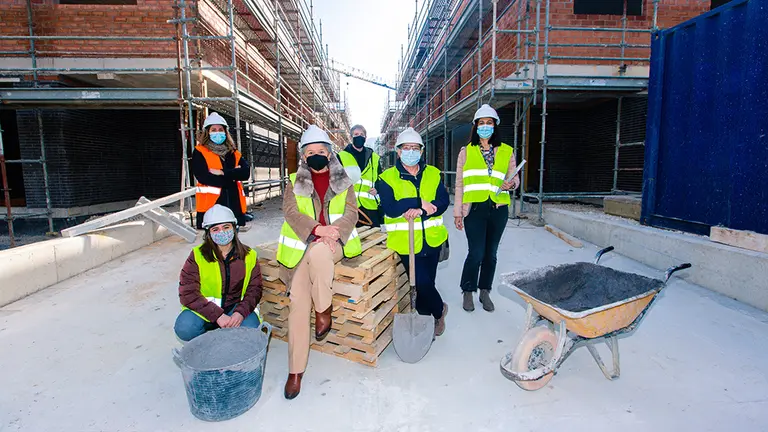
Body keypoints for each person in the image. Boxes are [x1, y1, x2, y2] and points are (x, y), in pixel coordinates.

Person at [277, 124, 361, 400]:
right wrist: (317, 229)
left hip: (334, 244)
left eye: (320, 151)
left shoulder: (343, 180)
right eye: (310, 151)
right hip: (306, 245)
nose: (315, 155)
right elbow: (290, 212)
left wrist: (332, 232)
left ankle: (324, 309)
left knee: (321, 252)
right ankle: (295, 371)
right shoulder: (294, 182)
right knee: (299, 303)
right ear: (303, 156)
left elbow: (351, 212)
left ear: (329, 154)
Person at [377, 127, 450, 338]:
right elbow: (390, 207)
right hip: (405, 242)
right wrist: (418, 202)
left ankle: (426, 319)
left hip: (433, 239)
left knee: (429, 283)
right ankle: (439, 311)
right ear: (398, 152)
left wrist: (420, 211)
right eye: (406, 148)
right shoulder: (386, 178)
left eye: (415, 148)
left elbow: (443, 202)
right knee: (421, 282)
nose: (411, 151)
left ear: (422, 150)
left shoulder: (433, 174)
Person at [454, 104, 519, 313]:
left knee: (491, 253)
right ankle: (467, 290)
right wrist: (457, 212)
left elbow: (514, 176)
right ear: (475, 126)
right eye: (481, 123)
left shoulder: (507, 151)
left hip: (498, 208)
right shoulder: (466, 152)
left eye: (489, 123)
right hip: (475, 209)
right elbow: (459, 184)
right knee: (476, 252)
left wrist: (512, 184)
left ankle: (484, 290)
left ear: (495, 126)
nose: (485, 127)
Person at [174, 204, 263, 342]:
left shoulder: (249, 256)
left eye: (226, 227)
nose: (221, 232)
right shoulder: (198, 256)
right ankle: (208, 340)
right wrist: (217, 316)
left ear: (234, 228)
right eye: (215, 229)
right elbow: (187, 293)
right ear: (208, 234)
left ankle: (230, 336)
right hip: (204, 311)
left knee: (251, 328)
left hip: (234, 309)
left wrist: (240, 313)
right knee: (185, 327)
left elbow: (255, 290)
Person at [192, 112, 251, 230]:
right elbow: (203, 176)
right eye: (213, 130)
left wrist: (223, 172)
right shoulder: (200, 152)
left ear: (225, 132)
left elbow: (245, 173)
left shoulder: (233, 153)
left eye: (220, 129)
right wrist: (233, 175)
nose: (217, 132)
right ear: (207, 132)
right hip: (210, 206)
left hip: (234, 205)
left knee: (233, 236)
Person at [338, 124, 385, 227]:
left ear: (365, 138)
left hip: (370, 206)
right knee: (351, 239)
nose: (359, 136)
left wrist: (377, 188)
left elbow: (381, 179)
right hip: (349, 206)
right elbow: (335, 179)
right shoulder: (341, 156)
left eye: (361, 134)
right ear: (351, 137)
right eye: (356, 134)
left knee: (373, 237)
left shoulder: (374, 157)